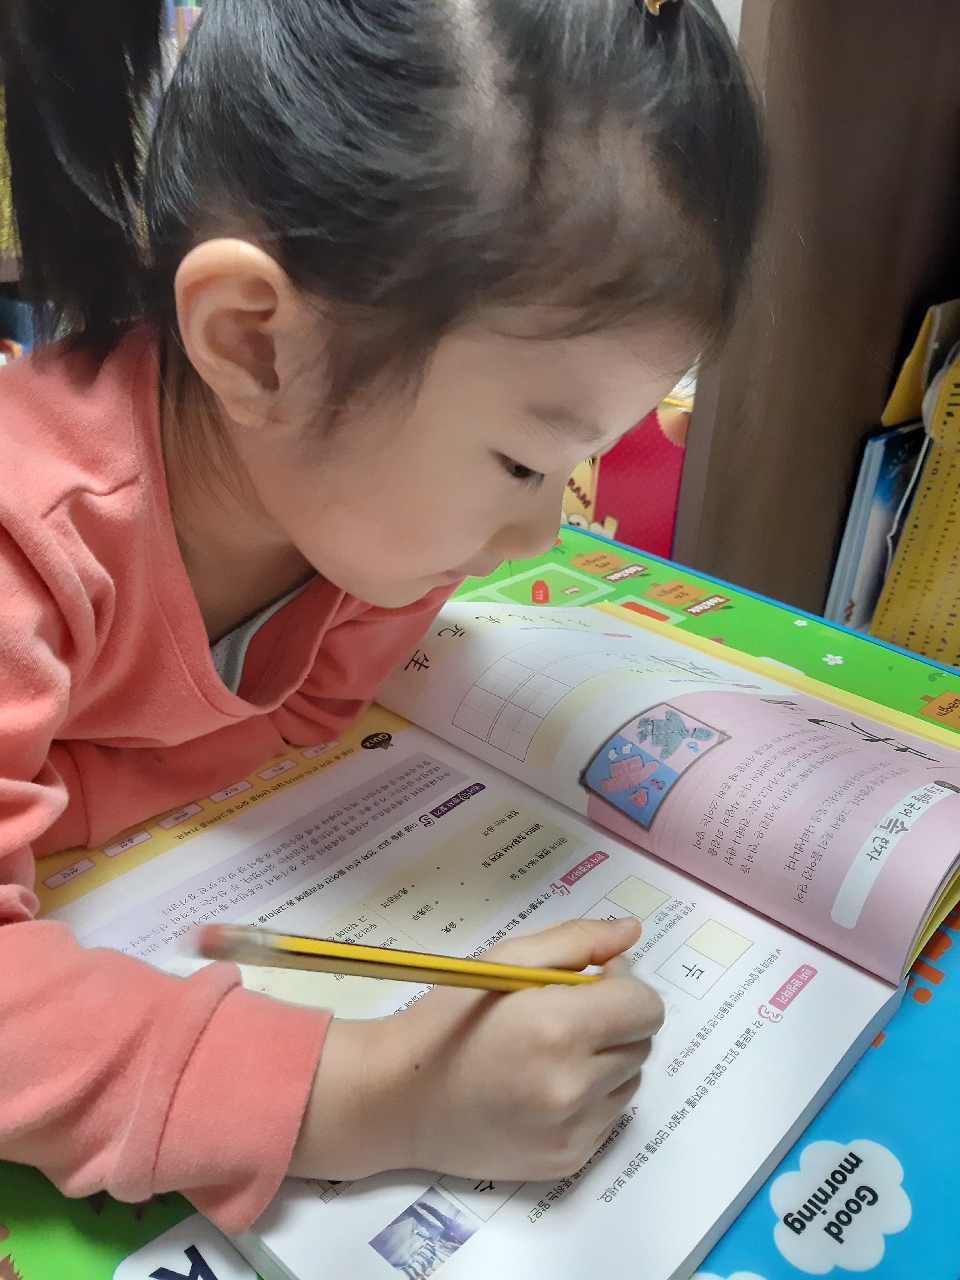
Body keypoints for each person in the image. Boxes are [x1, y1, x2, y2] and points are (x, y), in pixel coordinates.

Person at [0, 0, 765, 1236]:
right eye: (523, 461)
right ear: (257, 345)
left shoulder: (368, 541)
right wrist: (372, 1092)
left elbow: (289, 719)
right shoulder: (28, 534)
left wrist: (68, 788)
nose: (543, 531)